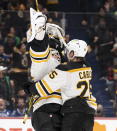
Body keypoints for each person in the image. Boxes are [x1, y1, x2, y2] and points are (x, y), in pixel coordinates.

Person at [24, 39, 97, 131]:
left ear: (72, 53)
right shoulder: (87, 68)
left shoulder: (65, 69)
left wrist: (29, 88)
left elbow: (42, 88)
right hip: (89, 113)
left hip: (73, 111)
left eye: (67, 52)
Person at [24, 8, 65, 131]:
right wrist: (40, 29)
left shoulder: (62, 58)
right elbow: (40, 50)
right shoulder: (51, 54)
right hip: (47, 109)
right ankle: (39, 30)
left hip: (56, 110)